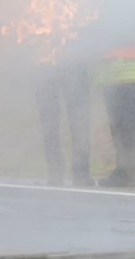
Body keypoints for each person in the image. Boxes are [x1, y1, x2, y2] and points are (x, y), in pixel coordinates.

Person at [95, 29, 135, 188]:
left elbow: (129, 36)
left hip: (131, 76)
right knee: (119, 129)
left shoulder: (129, 10)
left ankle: (132, 173)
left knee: (128, 128)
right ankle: (124, 171)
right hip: (114, 78)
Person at [34, 47, 93, 187]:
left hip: (63, 64)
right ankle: (73, 174)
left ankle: (69, 174)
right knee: (57, 122)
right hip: (64, 64)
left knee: (75, 122)